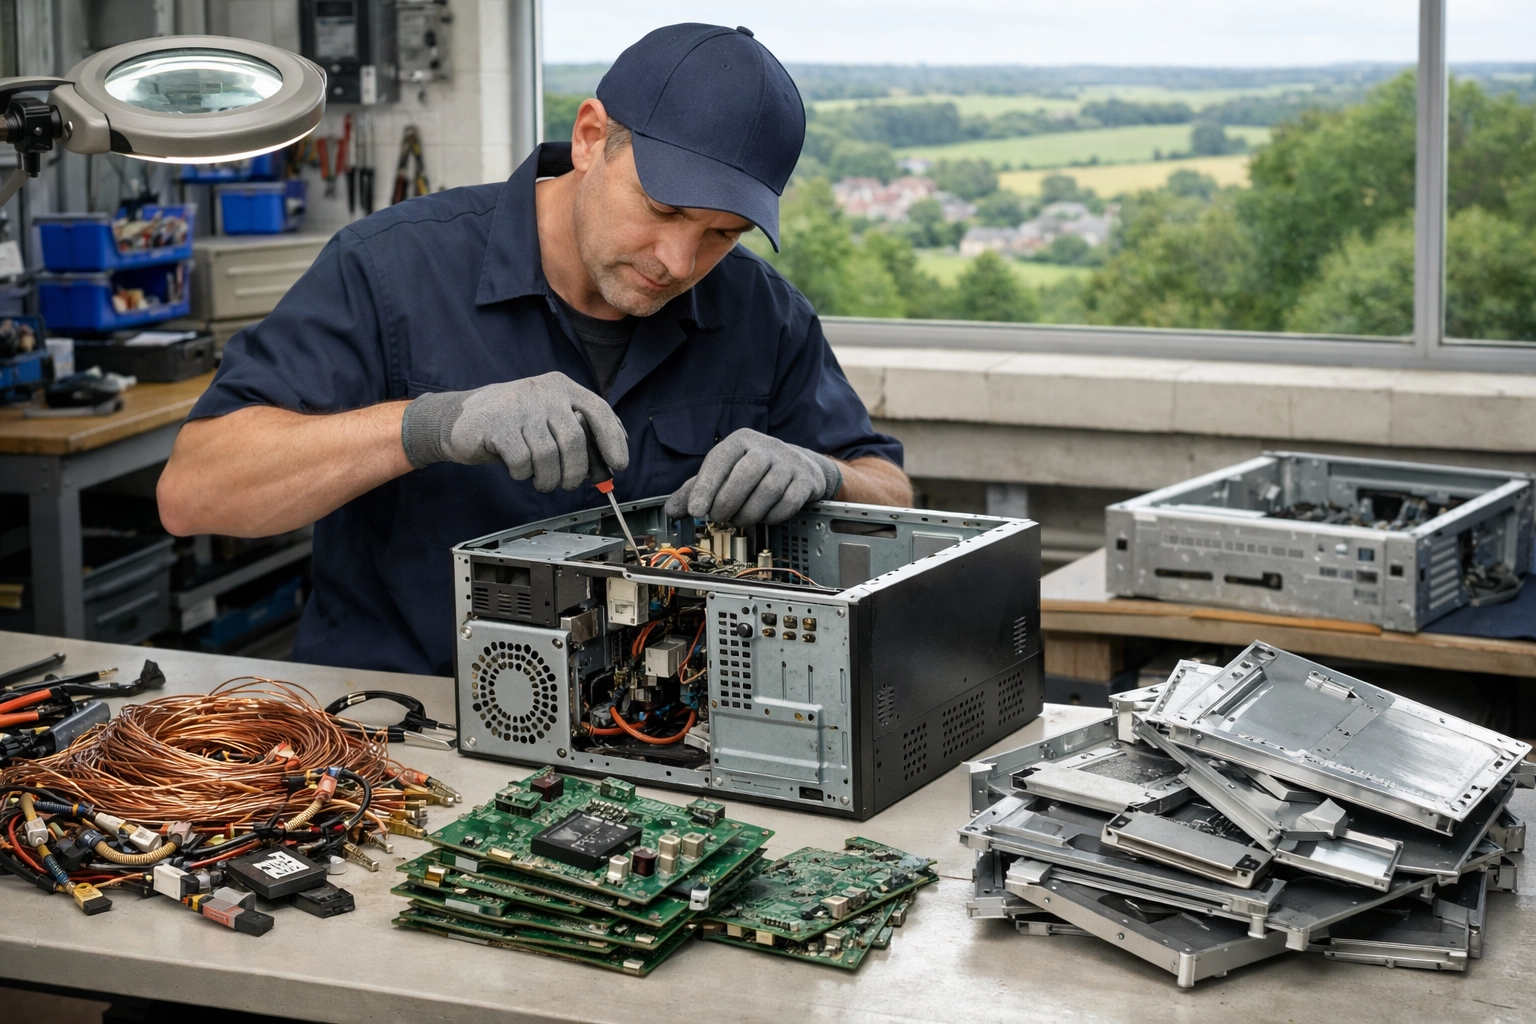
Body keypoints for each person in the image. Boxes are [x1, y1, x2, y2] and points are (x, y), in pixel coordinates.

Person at [156, 24, 910, 676]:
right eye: (663, 208)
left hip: (661, 730)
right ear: (590, 139)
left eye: (720, 234)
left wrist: (825, 474)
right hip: (402, 727)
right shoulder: (390, 269)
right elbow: (194, 494)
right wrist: (429, 426)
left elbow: (892, 496)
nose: (678, 262)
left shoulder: (763, 314)